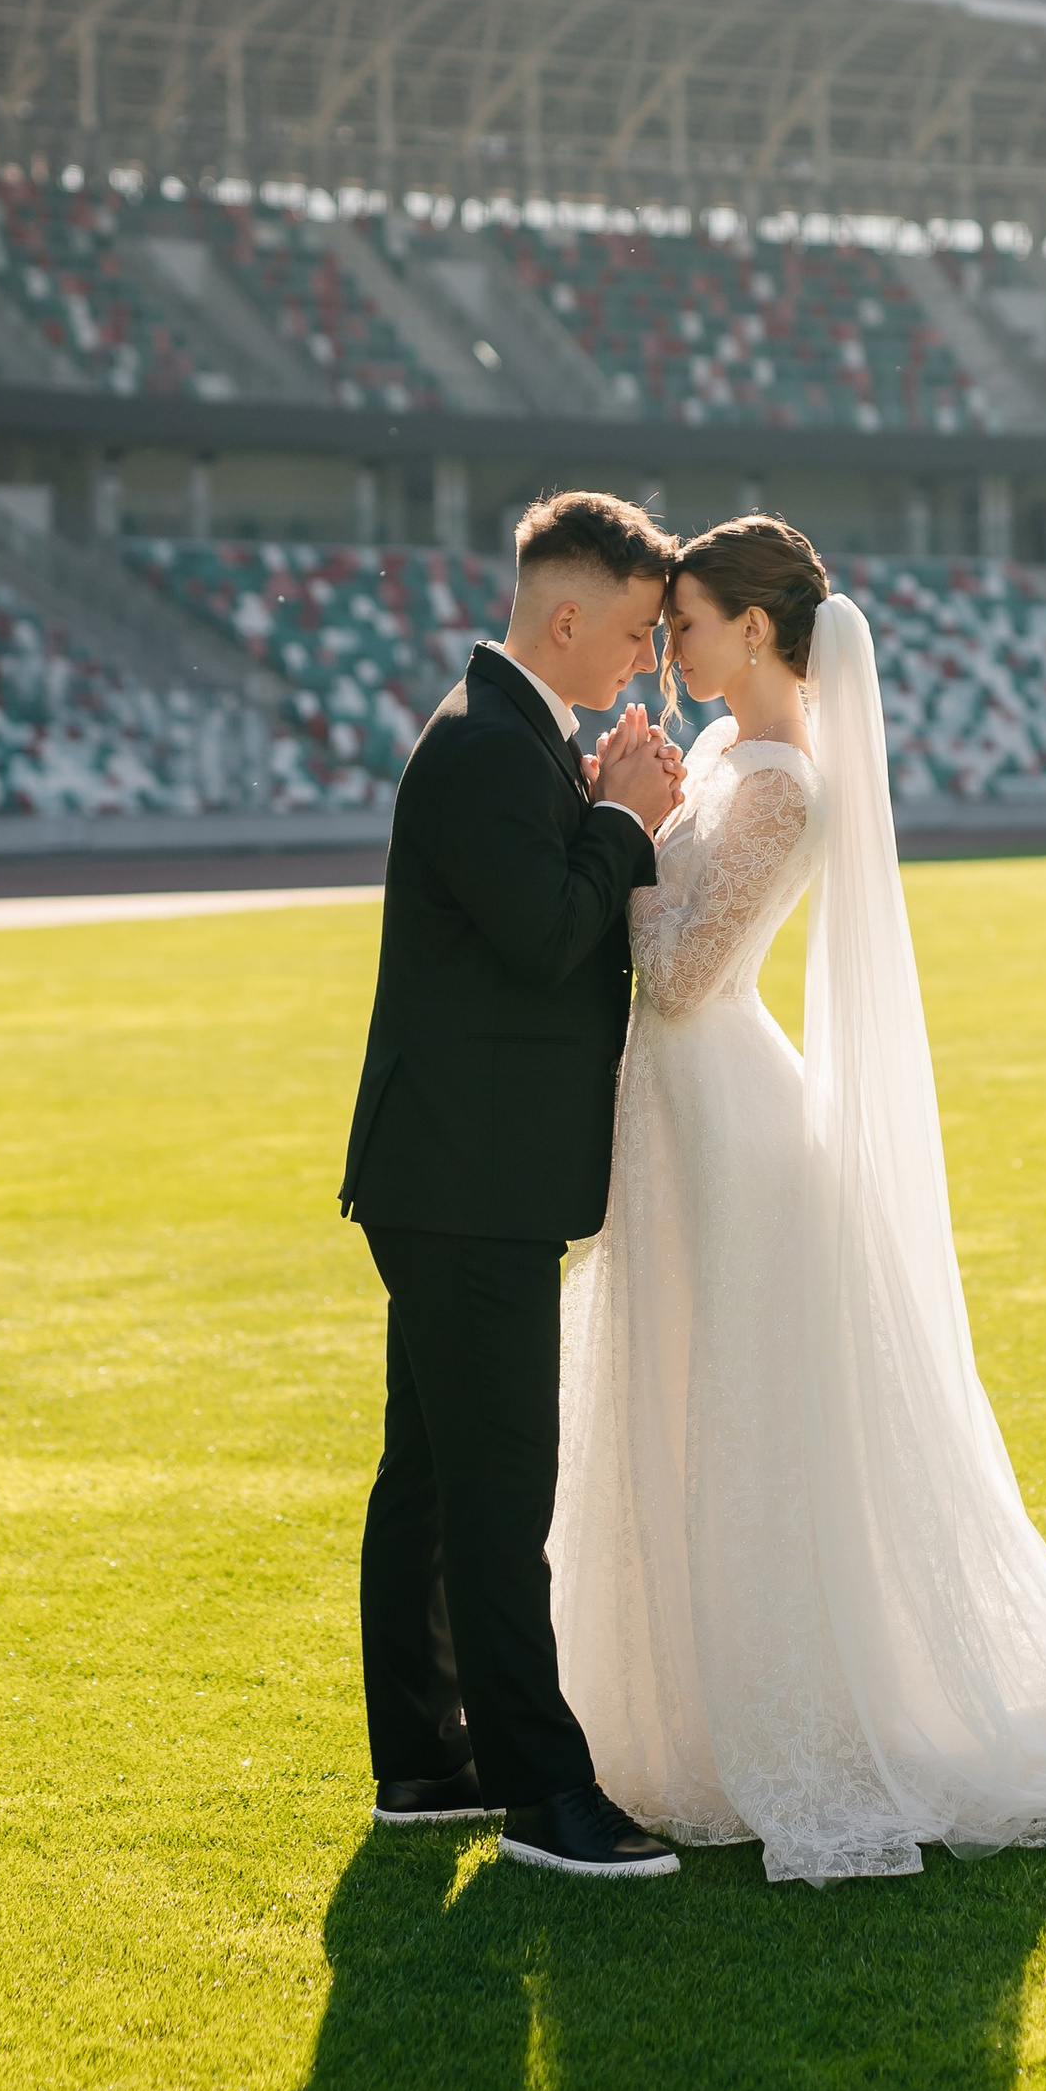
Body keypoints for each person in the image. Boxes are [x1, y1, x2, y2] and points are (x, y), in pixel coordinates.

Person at [550, 515, 1046, 1885]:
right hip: (680, 1110)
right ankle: (667, 1712)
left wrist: (619, 829)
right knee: (681, 1394)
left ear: (754, 630)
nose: (668, 645)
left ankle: (776, 1717)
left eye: (685, 622)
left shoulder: (786, 783)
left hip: (722, 1110)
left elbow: (686, 976)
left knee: (737, 1411)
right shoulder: (738, 761)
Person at [338, 488, 690, 1877]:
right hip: (464, 1179)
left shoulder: (505, 734)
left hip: (452, 1169)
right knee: (498, 1495)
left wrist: (599, 802)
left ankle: (428, 1766)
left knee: (429, 1478)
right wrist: (629, 819)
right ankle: (547, 1798)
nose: (643, 659)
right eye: (632, 630)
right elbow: (549, 935)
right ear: (564, 616)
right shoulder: (490, 748)